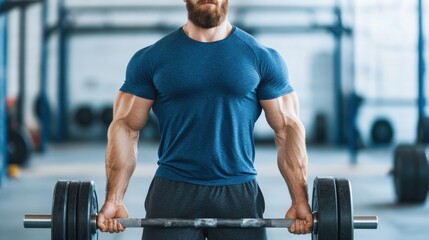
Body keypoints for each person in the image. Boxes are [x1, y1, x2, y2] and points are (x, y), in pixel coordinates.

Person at [97, 0, 313, 239]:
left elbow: (287, 128)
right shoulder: (151, 58)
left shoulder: (262, 58)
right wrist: (113, 199)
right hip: (172, 189)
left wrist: (300, 199)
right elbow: (125, 127)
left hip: (238, 192)